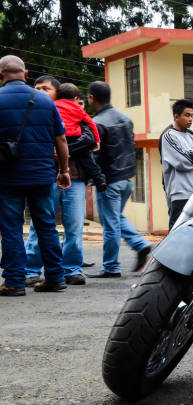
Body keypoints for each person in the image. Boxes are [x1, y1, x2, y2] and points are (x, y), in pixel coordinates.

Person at [0, 56, 71, 296]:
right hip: (42, 176)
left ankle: (14, 282)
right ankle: (55, 277)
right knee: (46, 226)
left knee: (11, 229)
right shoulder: (44, 101)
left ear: (1, 76)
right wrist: (64, 170)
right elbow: (60, 139)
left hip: (7, 178)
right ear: (26, 74)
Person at [24, 77, 93, 287]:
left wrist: (63, 151)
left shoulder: (76, 114)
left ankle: (71, 268)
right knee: (39, 226)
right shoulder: (35, 114)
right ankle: (31, 270)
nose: (41, 92)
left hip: (76, 179)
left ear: (58, 92)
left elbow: (89, 139)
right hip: (45, 178)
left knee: (74, 227)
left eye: (46, 88)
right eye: (37, 89)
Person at [86, 81, 151, 278]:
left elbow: (95, 156)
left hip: (109, 181)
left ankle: (111, 267)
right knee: (114, 218)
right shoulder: (125, 118)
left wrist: (93, 180)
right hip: (127, 179)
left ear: (91, 98)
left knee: (111, 223)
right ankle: (141, 245)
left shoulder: (98, 123)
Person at [161, 99, 193, 229]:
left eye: (192, 115)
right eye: (187, 115)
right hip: (180, 194)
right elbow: (184, 162)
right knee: (177, 235)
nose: (190, 119)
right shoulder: (169, 136)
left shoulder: (190, 136)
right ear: (176, 117)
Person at [55, 82, 106, 191]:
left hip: (60, 135)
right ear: (75, 98)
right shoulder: (77, 108)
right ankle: (100, 179)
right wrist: (97, 140)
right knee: (87, 158)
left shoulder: (53, 105)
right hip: (75, 135)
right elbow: (91, 123)